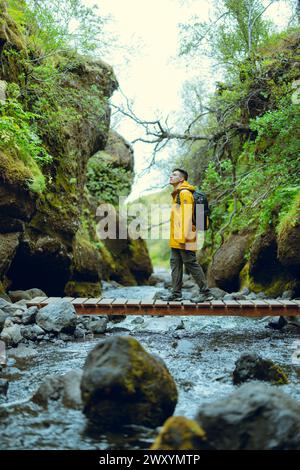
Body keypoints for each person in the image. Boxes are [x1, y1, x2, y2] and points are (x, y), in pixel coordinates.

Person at [161, 168, 214, 302]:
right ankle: (176, 294)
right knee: (175, 264)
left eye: (174, 175)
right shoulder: (177, 193)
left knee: (191, 263)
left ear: (182, 179)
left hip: (185, 236)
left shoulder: (184, 193)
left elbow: (187, 216)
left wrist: (183, 237)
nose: (171, 176)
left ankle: (206, 293)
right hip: (177, 237)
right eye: (171, 174)